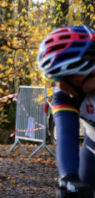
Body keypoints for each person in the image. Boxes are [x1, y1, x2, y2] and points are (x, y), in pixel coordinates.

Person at [37, 25, 95, 197]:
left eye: (57, 79)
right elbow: (66, 134)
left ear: (78, 78)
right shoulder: (65, 93)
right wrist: (68, 177)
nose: (56, 86)